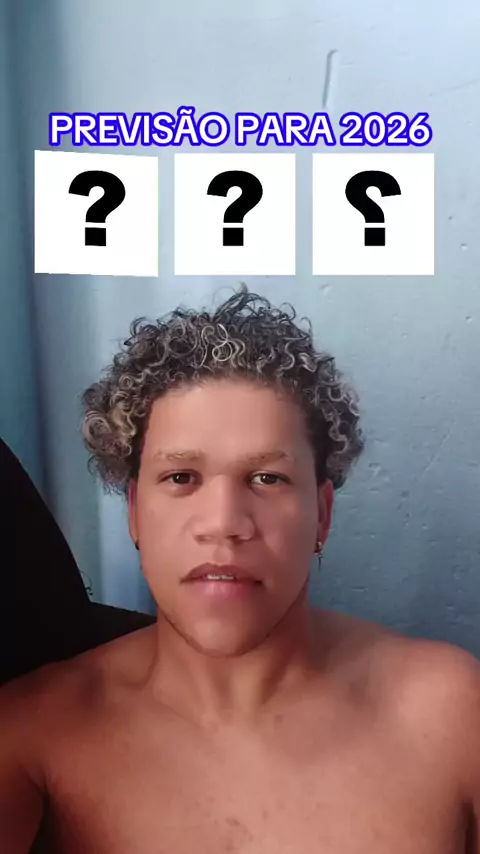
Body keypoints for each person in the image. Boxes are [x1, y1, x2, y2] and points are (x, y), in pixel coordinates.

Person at [1, 284, 479, 854]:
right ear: (134, 512)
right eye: (181, 478)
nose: (224, 523)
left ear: (322, 514)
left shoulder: (450, 714)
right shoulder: (32, 737)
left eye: (267, 478)